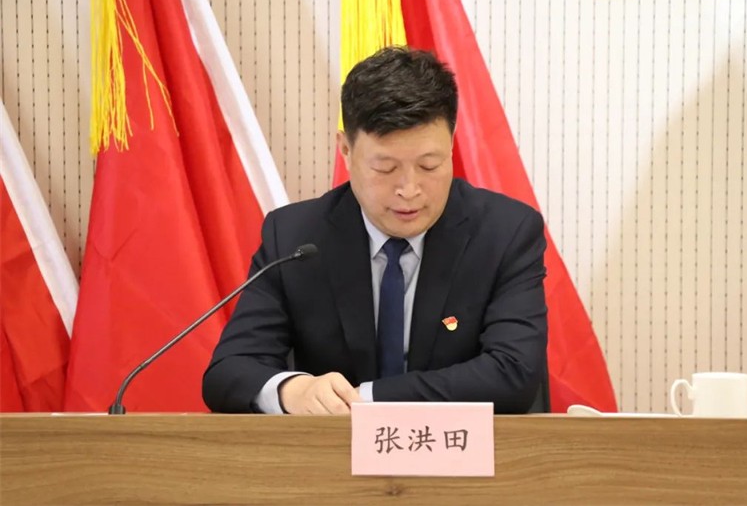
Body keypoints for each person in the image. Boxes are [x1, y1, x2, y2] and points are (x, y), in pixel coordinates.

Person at [202, 46, 548, 415]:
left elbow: (513, 372)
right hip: (333, 451)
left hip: (460, 450)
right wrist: (292, 390)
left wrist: (365, 399)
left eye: (429, 165)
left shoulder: (504, 233)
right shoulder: (295, 237)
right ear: (346, 150)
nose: (409, 189)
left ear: (451, 144)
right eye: (385, 168)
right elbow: (229, 372)